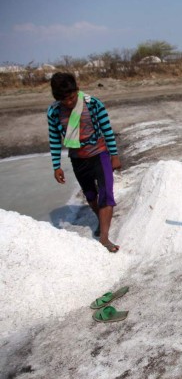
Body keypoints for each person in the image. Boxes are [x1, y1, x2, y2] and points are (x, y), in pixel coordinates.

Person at [47, 72, 122, 252]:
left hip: (99, 154)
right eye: (64, 100)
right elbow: (55, 139)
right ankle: (101, 220)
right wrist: (56, 166)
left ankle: (104, 237)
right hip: (77, 158)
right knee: (90, 195)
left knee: (106, 193)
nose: (69, 102)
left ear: (77, 90)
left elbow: (107, 130)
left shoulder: (93, 104)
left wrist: (114, 155)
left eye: (72, 97)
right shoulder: (54, 112)